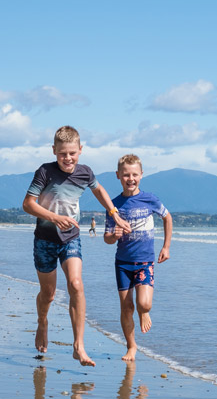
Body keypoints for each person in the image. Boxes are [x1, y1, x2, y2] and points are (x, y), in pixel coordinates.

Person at [22, 125, 131, 367]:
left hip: (71, 238)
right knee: (48, 294)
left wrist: (114, 212)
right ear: (54, 151)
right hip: (44, 240)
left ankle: (78, 346)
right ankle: (42, 322)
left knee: (76, 284)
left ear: (80, 150)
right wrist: (54, 217)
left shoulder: (85, 173)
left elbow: (99, 190)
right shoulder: (45, 172)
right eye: (62, 154)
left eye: (72, 153)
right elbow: (28, 204)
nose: (68, 158)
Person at [104, 154, 172, 362]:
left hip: (145, 261)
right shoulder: (113, 205)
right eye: (126, 175)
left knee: (144, 304)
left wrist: (166, 247)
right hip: (123, 263)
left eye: (134, 174)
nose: (130, 179)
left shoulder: (150, 199)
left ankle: (144, 312)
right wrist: (113, 234)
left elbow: (167, 217)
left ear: (141, 175)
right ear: (118, 176)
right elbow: (107, 238)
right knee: (126, 307)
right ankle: (131, 347)